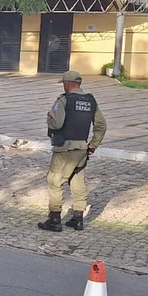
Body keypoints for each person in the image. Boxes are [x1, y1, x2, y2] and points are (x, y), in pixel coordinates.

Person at [39, 70, 107, 232]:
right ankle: (78, 218)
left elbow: (56, 124)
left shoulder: (63, 101)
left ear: (67, 84)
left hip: (64, 148)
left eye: (64, 83)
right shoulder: (91, 101)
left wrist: (49, 117)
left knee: (55, 181)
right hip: (82, 148)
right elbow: (101, 125)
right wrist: (93, 145)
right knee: (77, 181)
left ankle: (54, 219)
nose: (63, 86)